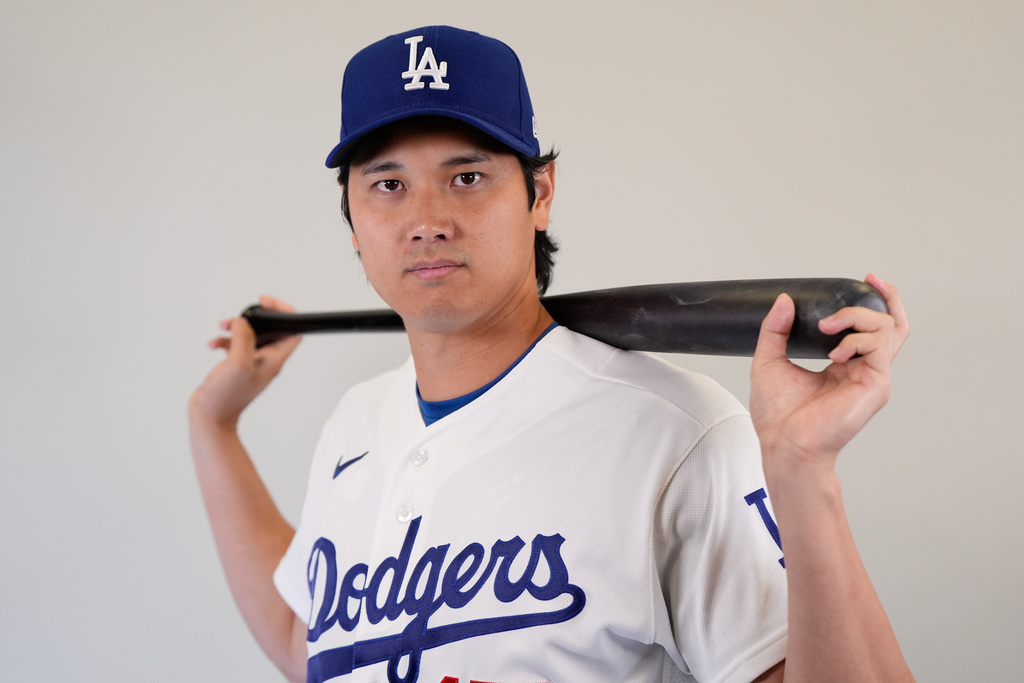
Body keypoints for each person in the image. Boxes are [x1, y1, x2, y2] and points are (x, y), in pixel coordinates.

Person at [189, 25, 914, 683]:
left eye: (467, 177)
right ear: (351, 219)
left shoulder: (678, 434)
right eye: (388, 185)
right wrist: (211, 424)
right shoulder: (355, 421)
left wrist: (802, 470)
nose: (427, 221)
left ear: (539, 193)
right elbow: (308, 646)